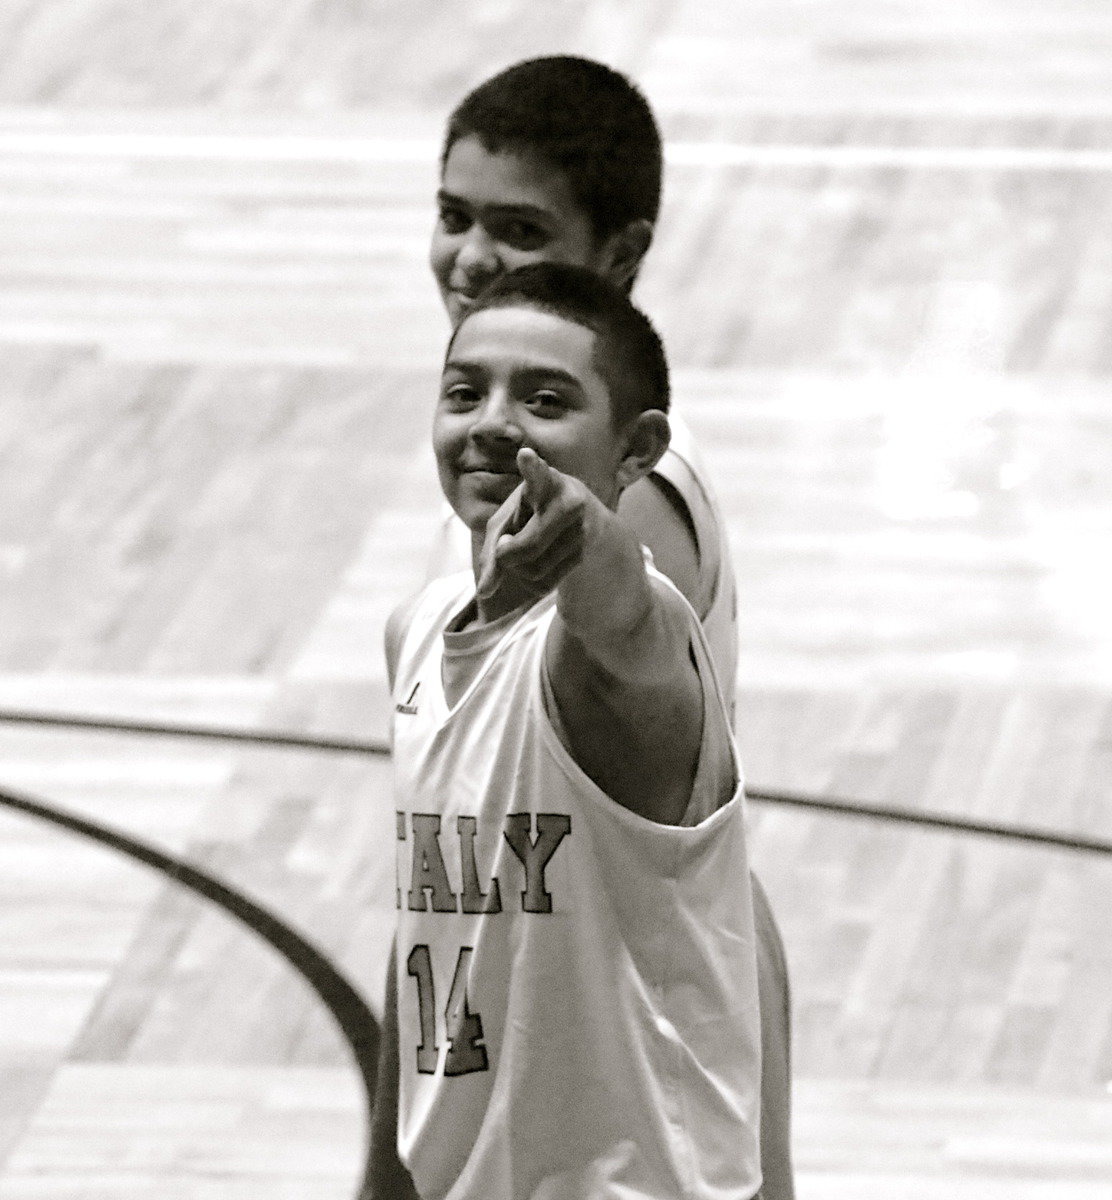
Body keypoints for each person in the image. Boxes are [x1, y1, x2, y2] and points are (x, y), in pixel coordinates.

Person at [416, 55, 794, 1197]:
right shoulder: (486, 497)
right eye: (453, 216)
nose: (473, 258)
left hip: (634, 995)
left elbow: (623, 624)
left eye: (517, 228)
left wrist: (589, 542)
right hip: (523, 966)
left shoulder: (631, 505)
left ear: (619, 254)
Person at [376, 263, 762, 1199]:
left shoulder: (629, 649)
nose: (494, 423)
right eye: (465, 392)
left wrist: (583, 533)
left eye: (545, 400)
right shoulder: (417, 632)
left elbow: (617, 602)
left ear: (636, 450)